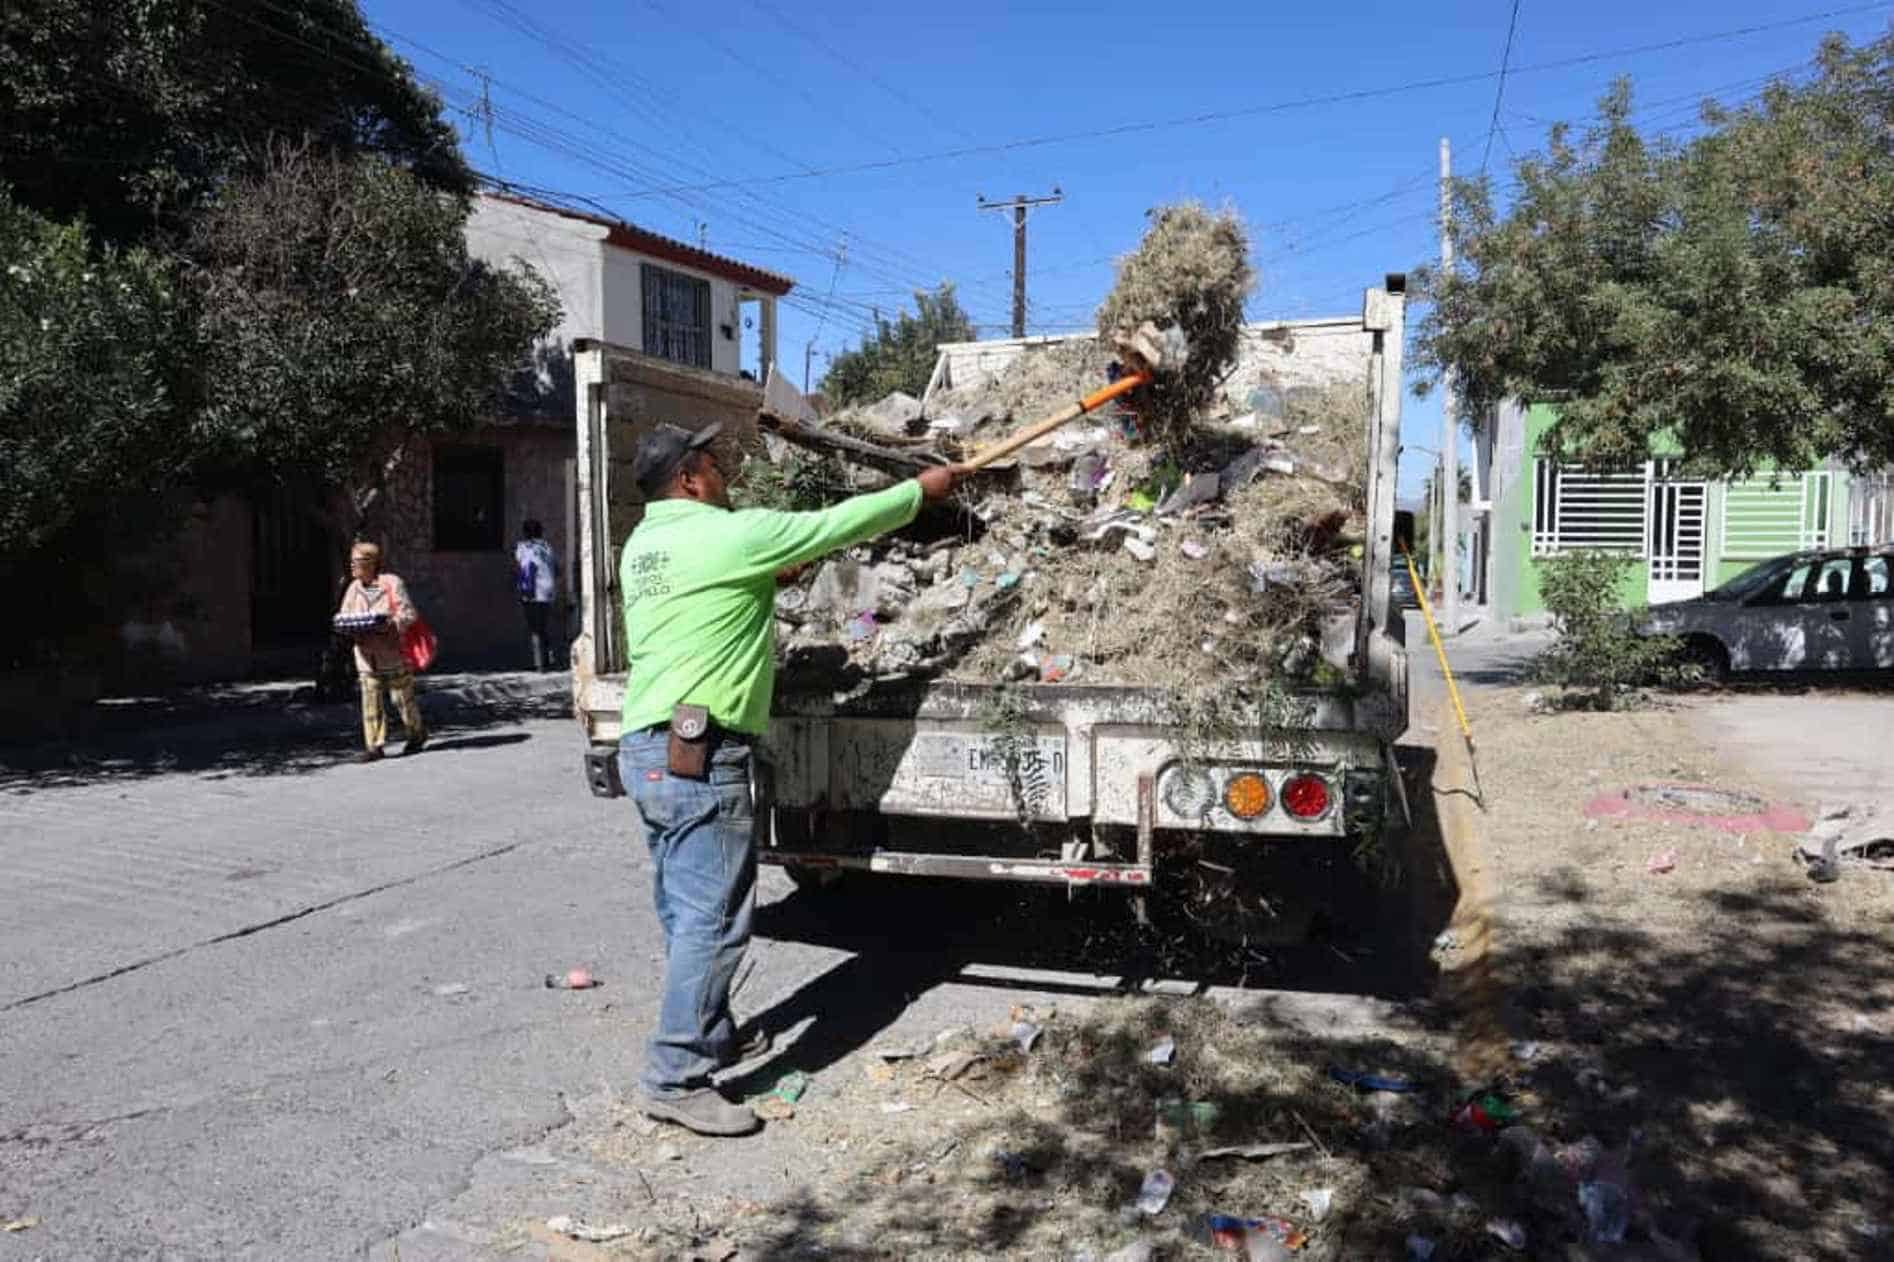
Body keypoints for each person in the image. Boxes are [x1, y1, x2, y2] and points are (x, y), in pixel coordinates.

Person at [618, 421, 963, 1137]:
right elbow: (837, 522)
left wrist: (768, 577)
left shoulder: (645, 545)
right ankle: (675, 1076)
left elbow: (708, 600)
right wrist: (917, 493)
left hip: (649, 749)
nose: (725, 473)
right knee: (713, 922)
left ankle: (709, 1032)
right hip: (700, 754)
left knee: (686, 913)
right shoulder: (730, 532)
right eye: (714, 463)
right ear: (690, 478)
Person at [335, 542, 428, 762]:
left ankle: (417, 733)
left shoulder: (392, 583)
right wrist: (347, 628)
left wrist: (390, 624)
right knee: (370, 699)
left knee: (402, 699)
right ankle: (374, 746)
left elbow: (408, 614)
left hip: (393, 653)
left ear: (371, 563)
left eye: (356, 562)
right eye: (351, 561)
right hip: (366, 655)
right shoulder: (352, 589)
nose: (352, 566)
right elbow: (345, 615)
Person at [514, 519, 557, 671]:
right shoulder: (547, 546)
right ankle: (547, 658)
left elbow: (521, 567)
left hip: (532, 591)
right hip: (548, 590)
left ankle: (539, 664)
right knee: (543, 626)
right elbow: (555, 567)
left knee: (534, 628)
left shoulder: (523, 547)